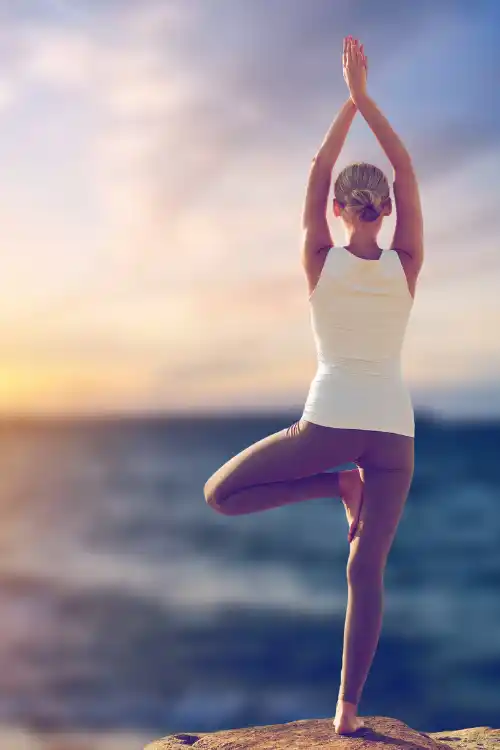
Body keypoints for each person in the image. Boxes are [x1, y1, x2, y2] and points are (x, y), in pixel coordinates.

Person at [203, 35, 423, 736]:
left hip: (328, 427)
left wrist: (347, 101)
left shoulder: (319, 258)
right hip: (393, 435)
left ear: (338, 211)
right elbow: (408, 169)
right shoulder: (407, 261)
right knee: (366, 575)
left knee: (221, 494)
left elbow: (321, 165)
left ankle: (333, 485)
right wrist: (366, 101)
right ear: (383, 211)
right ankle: (346, 715)